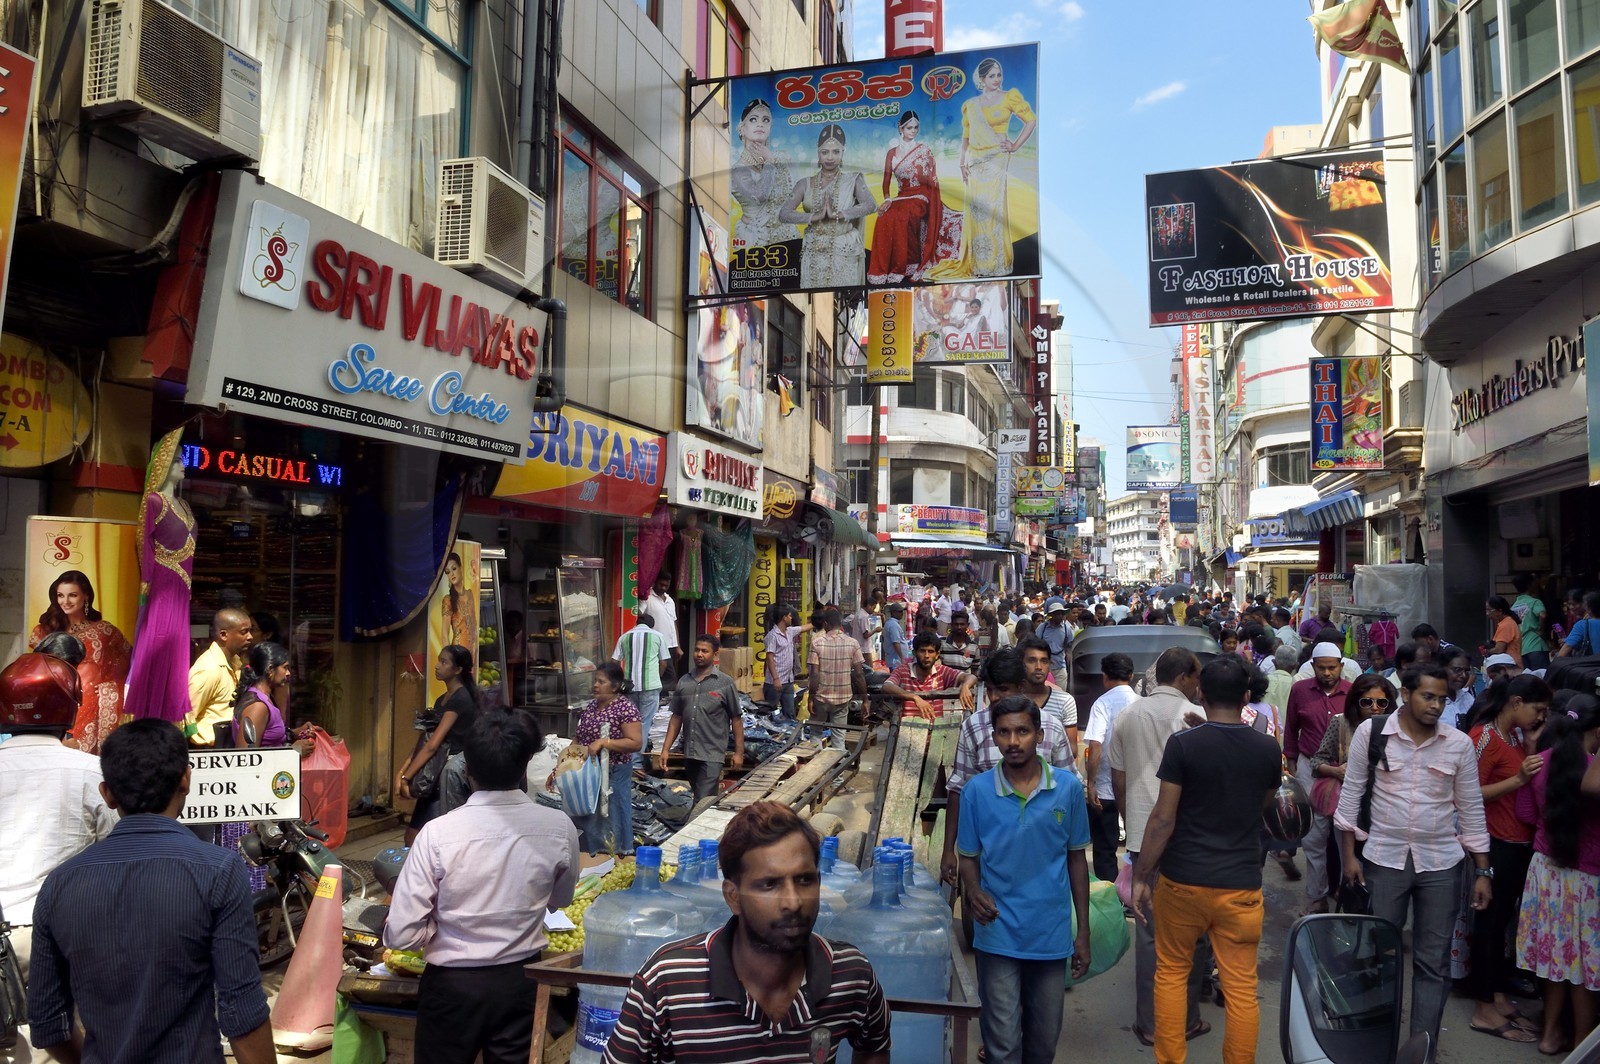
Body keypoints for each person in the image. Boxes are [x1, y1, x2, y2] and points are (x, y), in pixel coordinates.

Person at [26, 719, 274, 1064]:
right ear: (186, 779)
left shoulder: (59, 885)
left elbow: (49, 1024)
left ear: (107, 794)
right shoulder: (219, 870)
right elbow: (243, 1012)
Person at [604, 802, 891, 1063]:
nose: (793, 902)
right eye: (769, 885)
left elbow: (874, 1046)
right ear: (733, 897)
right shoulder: (668, 981)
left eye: (804, 880)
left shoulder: (851, 975)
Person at [388, 709, 580, 1064]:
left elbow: (401, 934)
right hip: (521, 982)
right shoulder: (559, 827)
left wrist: (437, 926)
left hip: (451, 987)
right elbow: (559, 900)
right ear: (525, 767)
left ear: (468, 769)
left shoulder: (437, 834)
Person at [1130, 655, 1284, 1064]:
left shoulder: (1183, 745)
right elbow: (1262, 804)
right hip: (1241, 886)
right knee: (1240, 990)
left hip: (1183, 883)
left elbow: (1163, 819)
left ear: (1201, 693)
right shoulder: (1268, 748)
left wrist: (1142, 875)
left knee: (1172, 974)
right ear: (1247, 696)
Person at [1335, 663, 1494, 1049]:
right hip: (1383, 859)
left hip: (1442, 863)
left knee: (1433, 962)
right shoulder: (1372, 735)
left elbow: (1471, 809)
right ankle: (1376, 1041)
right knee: (1376, 954)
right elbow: (1350, 798)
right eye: (1428, 696)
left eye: (1442, 698)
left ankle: (1420, 1049)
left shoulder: (1457, 744)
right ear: (1405, 695)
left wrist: (1483, 871)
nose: (1436, 705)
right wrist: (1349, 859)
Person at [958, 696, 1091, 1064]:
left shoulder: (1067, 788)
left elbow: (1077, 860)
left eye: (1022, 731)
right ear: (993, 737)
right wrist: (973, 890)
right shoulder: (977, 792)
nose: (1013, 741)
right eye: (1004, 732)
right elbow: (967, 858)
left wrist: (1083, 933)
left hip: (1050, 933)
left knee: (1042, 1044)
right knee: (1002, 1047)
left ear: (1039, 734)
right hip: (997, 931)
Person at [0, 654, 118, 1063]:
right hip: (55, 938)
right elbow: (117, 856)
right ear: (70, 704)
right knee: (54, 1045)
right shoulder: (93, 773)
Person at [1106, 647, 1214, 1047]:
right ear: (1185, 677)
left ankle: (1150, 1023)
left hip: (1140, 837)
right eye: (1197, 677)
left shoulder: (1128, 714)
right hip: (1188, 837)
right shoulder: (1196, 718)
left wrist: (1131, 819)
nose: (1199, 684)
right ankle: (1185, 1018)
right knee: (1194, 930)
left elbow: (1118, 776)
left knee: (1149, 932)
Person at [1464, 673, 1552, 1041]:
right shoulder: (1483, 736)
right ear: (1516, 703)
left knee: (1500, 925)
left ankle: (1497, 995)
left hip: (1517, 843)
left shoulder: (1514, 736)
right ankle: (1483, 1007)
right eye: (1538, 709)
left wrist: (1531, 746)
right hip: (1494, 843)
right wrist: (1517, 779)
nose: (1541, 717)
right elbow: (1469, 793)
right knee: (1488, 925)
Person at [941, 649, 1078, 886]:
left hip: (1042, 848)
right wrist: (948, 849)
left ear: (1022, 687)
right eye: (990, 689)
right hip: (988, 847)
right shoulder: (973, 727)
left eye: (1003, 689)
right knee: (984, 907)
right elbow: (958, 789)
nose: (994, 697)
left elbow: (1071, 789)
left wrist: (1071, 851)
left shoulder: (1050, 727)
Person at [1514, 695, 1600, 1055]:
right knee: (1583, 967)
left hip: (1545, 872)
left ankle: (1550, 1035)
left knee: (1554, 960)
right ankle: (1582, 1042)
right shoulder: (1594, 770)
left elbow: (1525, 813)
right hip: (1587, 880)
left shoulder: (1539, 763)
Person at [930, 57, 1036, 280]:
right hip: (975, 161)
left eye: (999, 75)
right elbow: (966, 136)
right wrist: (961, 162)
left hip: (997, 158)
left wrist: (1015, 145)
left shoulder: (1009, 97)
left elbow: (1030, 121)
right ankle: (978, 263)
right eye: (992, 76)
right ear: (981, 78)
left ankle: (996, 263)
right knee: (977, 212)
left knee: (994, 210)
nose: (996, 79)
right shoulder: (971, 104)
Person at [219, 642, 314, 891]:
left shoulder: (263, 699)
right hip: (253, 807)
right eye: (285, 667)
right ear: (270, 670)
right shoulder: (258, 706)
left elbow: (268, 740)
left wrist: (293, 733)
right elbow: (246, 758)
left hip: (265, 798)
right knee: (254, 880)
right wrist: (293, 752)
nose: (289, 673)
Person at [123, 427, 197, 728]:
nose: (183, 464)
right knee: (158, 646)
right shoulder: (154, 502)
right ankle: (148, 719)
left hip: (182, 590)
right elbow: (144, 543)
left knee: (177, 650)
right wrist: (147, 586)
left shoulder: (186, 506)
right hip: (163, 588)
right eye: (178, 459)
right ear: (164, 464)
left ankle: (173, 719)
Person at [28, 570, 132, 756]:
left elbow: (126, 664)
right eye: (60, 595)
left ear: (86, 596)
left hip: (92, 704)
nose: (65, 601)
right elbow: (36, 672)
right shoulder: (43, 631)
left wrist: (109, 690)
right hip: (54, 703)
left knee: (85, 760)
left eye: (72, 595)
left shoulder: (104, 631)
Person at [1283, 642, 1352, 907]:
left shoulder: (1352, 692)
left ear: (1341, 667)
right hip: (1309, 769)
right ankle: (1317, 896)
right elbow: (1291, 726)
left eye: (1332, 668)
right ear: (1313, 667)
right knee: (1313, 838)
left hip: (1346, 772)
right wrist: (1290, 760)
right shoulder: (1300, 690)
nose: (1327, 673)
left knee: (1345, 835)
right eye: (1321, 668)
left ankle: (1348, 895)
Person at [396, 644, 479, 844]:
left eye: (444, 662)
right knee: (416, 835)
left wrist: (406, 777)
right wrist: (403, 770)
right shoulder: (442, 699)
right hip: (436, 770)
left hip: (448, 775)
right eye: (439, 660)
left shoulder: (460, 699)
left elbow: (433, 745)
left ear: (458, 669)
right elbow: (424, 741)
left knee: (422, 836)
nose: (437, 666)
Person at [778, 123, 875, 289]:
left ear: (843, 152)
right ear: (818, 152)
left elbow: (871, 205)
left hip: (844, 252)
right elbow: (784, 214)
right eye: (825, 152)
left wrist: (840, 214)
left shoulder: (853, 180)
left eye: (835, 152)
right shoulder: (804, 184)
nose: (830, 157)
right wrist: (813, 217)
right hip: (814, 252)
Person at [563, 661, 642, 855]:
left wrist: (604, 742)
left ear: (615, 686)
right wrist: (563, 765)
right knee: (586, 815)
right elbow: (579, 738)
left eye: (601, 682)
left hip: (613, 773)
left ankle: (614, 856)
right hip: (588, 774)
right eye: (595, 681)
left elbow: (635, 742)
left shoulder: (624, 708)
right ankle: (588, 857)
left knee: (611, 817)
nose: (595, 685)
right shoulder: (591, 707)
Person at [662, 634, 744, 802]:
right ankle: (710, 825)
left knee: (702, 799)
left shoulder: (725, 683)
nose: (699, 654)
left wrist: (739, 752)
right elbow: (676, 718)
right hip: (690, 753)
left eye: (704, 651)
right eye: (697, 650)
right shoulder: (684, 681)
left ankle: (694, 827)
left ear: (715, 654)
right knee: (704, 798)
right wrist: (665, 750)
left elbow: (736, 719)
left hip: (712, 753)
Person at [866, 111, 945, 284]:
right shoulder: (892, 153)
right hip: (901, 196)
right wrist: (887, 199)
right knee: (884, 216)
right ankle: (883, 270)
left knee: (903, 216)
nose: (913, 131)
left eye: (916, 127)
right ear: (900, 128)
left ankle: (907, 265)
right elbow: (886, 181)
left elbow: (932, 180)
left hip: (921, 195)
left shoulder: (924, 151)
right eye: (909, 127)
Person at [1082, 652, 1139, 882]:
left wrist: (1091, 783)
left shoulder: (1102, 704)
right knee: (1136, 845)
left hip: (1106, 788)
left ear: (1105, 677)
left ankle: (1111, 897)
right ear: (1132, 676)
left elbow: (1095, 746)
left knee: (1105, 847)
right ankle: (1134, 891)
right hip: (1136, 787)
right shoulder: (1141, 704)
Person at [729, 98, 797, 249]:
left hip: (786, 238)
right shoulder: (737, 170)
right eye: (753, 119)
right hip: (754, 241)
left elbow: (796, 192)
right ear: (741, 128)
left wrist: (771, 160)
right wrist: (770, 162)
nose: (760, 124)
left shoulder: (781, 157)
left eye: (765, 120)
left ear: (770, 127)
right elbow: (760, 195)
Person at [613, 615, 669, 767]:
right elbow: (663, 662)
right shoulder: (658, 636)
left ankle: (625, 759)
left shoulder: (624, 637)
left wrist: (619, 682)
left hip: (629, 687)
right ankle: (636, 762)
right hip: (650, 686)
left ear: (636, 623)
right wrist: (657, 677)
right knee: (644, 723)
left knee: (630, 722)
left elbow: (615, 661)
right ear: (652, 625)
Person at [883, 631, 977, 720]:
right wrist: (915, 698)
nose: (926, 656)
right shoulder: (903, 670)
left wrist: (965, 686)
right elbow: (887, 686)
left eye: (931, 651)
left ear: (937, 655)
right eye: (922, 651)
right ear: (914, 653)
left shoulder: (941, 671)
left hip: (934, 729)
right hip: (905, 729)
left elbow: (971, 677)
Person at [807, 608, 865, 745]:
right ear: (840, 623)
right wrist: (865, 700)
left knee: (815, 732)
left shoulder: (817, 643)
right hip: (842, 698)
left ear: (826, 624)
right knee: (839, 736)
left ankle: (817, 764)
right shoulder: (853, 643)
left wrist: (810, 697)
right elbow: (859, 674)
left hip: (821, 697)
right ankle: (838, 763)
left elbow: (814, 674)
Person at [1017, 636, 1078, 741]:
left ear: (1050, 664)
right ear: (1021, 664)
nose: (1039, 667)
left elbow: (1072, 750)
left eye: (1044, 661)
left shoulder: (1065, 701)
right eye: (1032, 660)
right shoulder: (1011, 698)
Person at [641, 574, 682, 678]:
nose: (663, 588)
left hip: (670, 646)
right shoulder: (647, 597)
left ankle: (658, 693)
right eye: (661, 584)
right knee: (669, 676)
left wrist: (678, 647)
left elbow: (673, 623)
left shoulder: (669, 600)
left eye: (666, 585)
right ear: (655, 582)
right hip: (655, 645)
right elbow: (638, 615)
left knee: (663, 675)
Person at [1511, 575, 1552, 672]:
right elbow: (1542, 615)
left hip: (1523, 649)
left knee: (1529, 678)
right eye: (1534, 583)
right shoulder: (1535, 602)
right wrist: (1542, 631)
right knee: (1542, 677)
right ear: (1529, 585)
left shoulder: (1513, 607)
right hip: (1536, 644)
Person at [439, 551, 477, 651]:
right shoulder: (448, 600)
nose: (451, 574)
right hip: (458, 653)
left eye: (454, 568)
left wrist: (476, 648)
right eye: (447, 572)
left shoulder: (470, 594)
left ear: (461, 568)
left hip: (472, 651)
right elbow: (444, 634)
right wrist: (450, 658)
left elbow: (474, 625)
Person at [1440, 647, 1478, 728]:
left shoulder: (1468, 698)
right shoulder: (1432, 701)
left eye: (1466, 671)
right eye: (1457, 670)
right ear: (1441, 669)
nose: (1464, 676)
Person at [1039, 598, 1072, 688]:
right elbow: (1036, 645)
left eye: (1061, 614)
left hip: (1060, 667)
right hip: (1044, 667)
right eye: (1057, 614)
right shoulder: (1042, 628)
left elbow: (1069, 649)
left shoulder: (1066, 629)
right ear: (1051, 615)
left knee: (1061, 694)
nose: (1060, 616)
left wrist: (1069, 667)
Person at [1557, 590, 1600, 658]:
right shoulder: (1577, 618)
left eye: (1574, 604)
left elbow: (1566, 648)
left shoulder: (1583, 624)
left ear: (1589, 608)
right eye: (1569, 604)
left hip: (1592, 664)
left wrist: (1555, 664)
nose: (1571, 607)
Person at [1485, 596, 1524, 669]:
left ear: (1500, 611)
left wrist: (1487, 652)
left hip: (1510, 666)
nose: (1487, 613)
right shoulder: (1507, 622)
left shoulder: (1506, 624)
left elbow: (1499, 649)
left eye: (1489, 610)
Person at [940, 609, 982, 674]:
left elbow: (975, 671)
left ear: (967, 625)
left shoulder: (974, 647)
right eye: (956, 624)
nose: (959, 627)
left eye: (962, 624)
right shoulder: (942, 643)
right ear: (951, 625)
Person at [881, 601, 911, 672]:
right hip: (896, 661)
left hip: (895, 660)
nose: (902, 614)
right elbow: (896, 643)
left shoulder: (892, 624)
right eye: (900, 612)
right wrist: (902, 658)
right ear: (894, 612)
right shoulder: (893, 625)